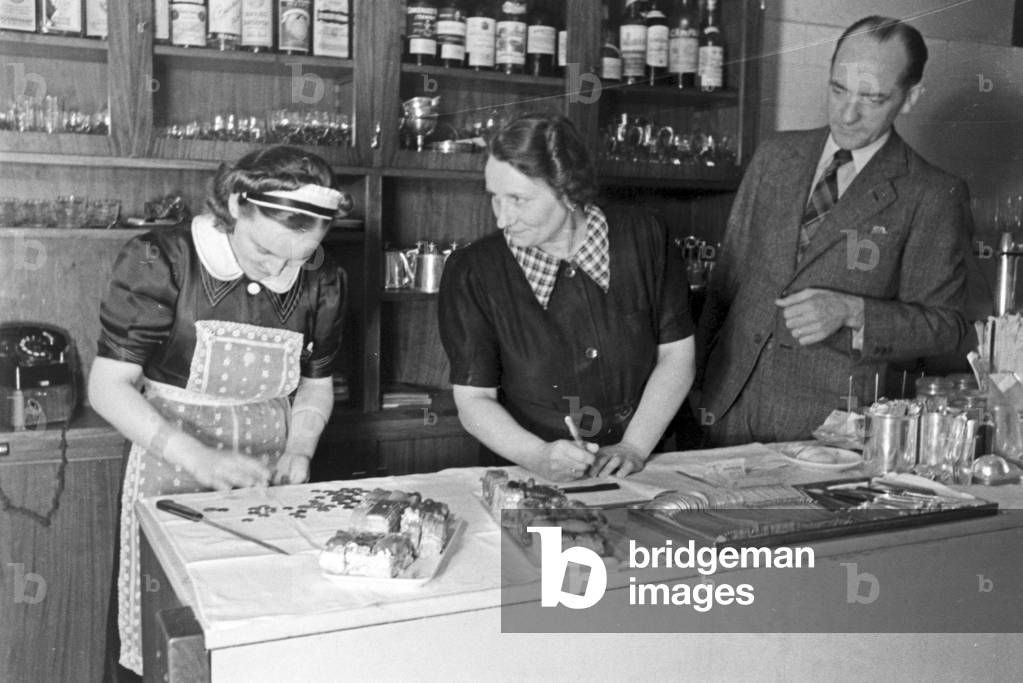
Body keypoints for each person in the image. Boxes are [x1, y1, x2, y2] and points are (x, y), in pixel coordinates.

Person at [89, 146, 347, 676]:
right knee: (173, 638)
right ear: (235, 205)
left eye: (298, 256)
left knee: (262, 638)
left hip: (269, 478)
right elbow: (108, 387)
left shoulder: (323, 279)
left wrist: (300, 447)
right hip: (169, 470)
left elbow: (316, 385)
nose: (278, 267)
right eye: (264, 248)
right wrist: (198, 458)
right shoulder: (162, 259)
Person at [696, 16, 971, 446]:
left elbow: (948, 328)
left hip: (829, 435)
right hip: (725, 410)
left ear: (911, 97)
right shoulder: (774, 157)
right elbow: (724, 286)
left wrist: (853, 311)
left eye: (872, 98)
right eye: (838, 89)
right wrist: (694, 390)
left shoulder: (932, 193)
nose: (847, 113)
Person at [438, 112, 695, 482]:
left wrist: (635, 446)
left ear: (568, 189)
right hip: (530, 475)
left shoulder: (646, 236)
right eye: (495, 198)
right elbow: (474, 401)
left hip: (644, 465)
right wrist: (538, 456)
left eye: (518, 199)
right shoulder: (472, 270)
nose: (502, 219)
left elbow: (676, 356)